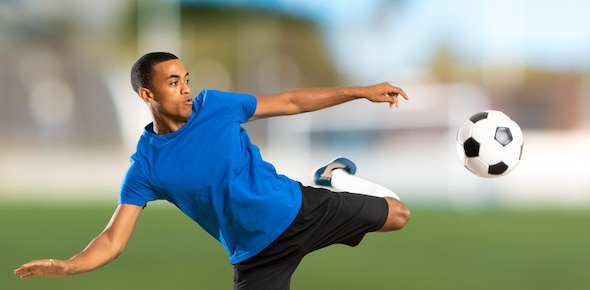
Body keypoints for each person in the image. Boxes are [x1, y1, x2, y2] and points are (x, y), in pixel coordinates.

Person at [14, 52, 411, 289]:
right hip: (256, 258)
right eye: (174, 82)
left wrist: (359, 91)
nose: (186, 88)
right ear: (147, 95)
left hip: (299, 208)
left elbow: (289, 101)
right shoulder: (146, 167)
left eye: (187, 79)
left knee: (398, 216)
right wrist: (68, 265)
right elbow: (113, 241)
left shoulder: (215, 106)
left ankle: (335, 177)